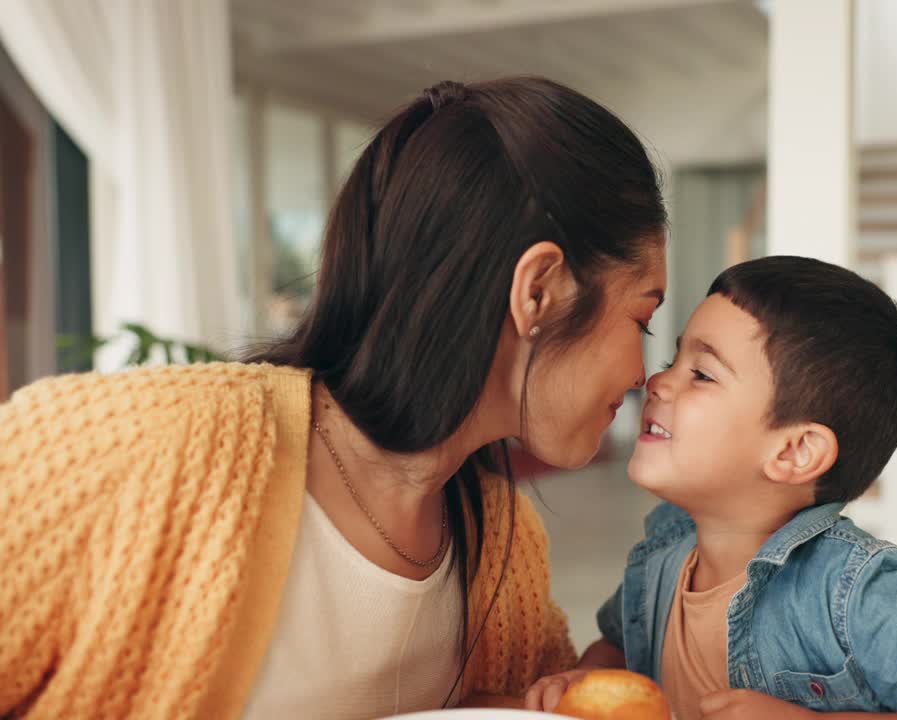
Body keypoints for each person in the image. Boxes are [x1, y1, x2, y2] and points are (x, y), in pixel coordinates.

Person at [0, 76, 669, 719]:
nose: (644, 371)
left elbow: (540, 703)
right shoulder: (133, 449)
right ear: (539, 291)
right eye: (640, 318)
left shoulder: (505, 547)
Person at [527, 256, 897, 719]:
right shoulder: (662, 552)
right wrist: (585, 680)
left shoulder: (858, 594)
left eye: (702, 374)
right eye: (674, 358)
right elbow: (619, 646)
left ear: (794, 452)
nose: (657, 379)